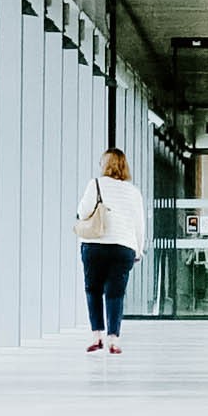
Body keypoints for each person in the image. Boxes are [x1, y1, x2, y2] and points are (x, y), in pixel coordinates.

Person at [76, 141, 145, 357]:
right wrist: (138, 249)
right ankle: (114, 339)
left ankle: (96, 335)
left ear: (104, 165)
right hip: (123, 246)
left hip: (95, 245)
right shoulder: (133, 192)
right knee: (115, 294)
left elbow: (82, 211)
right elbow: (139, 223)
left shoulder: (95, 184)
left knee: (93, 289)